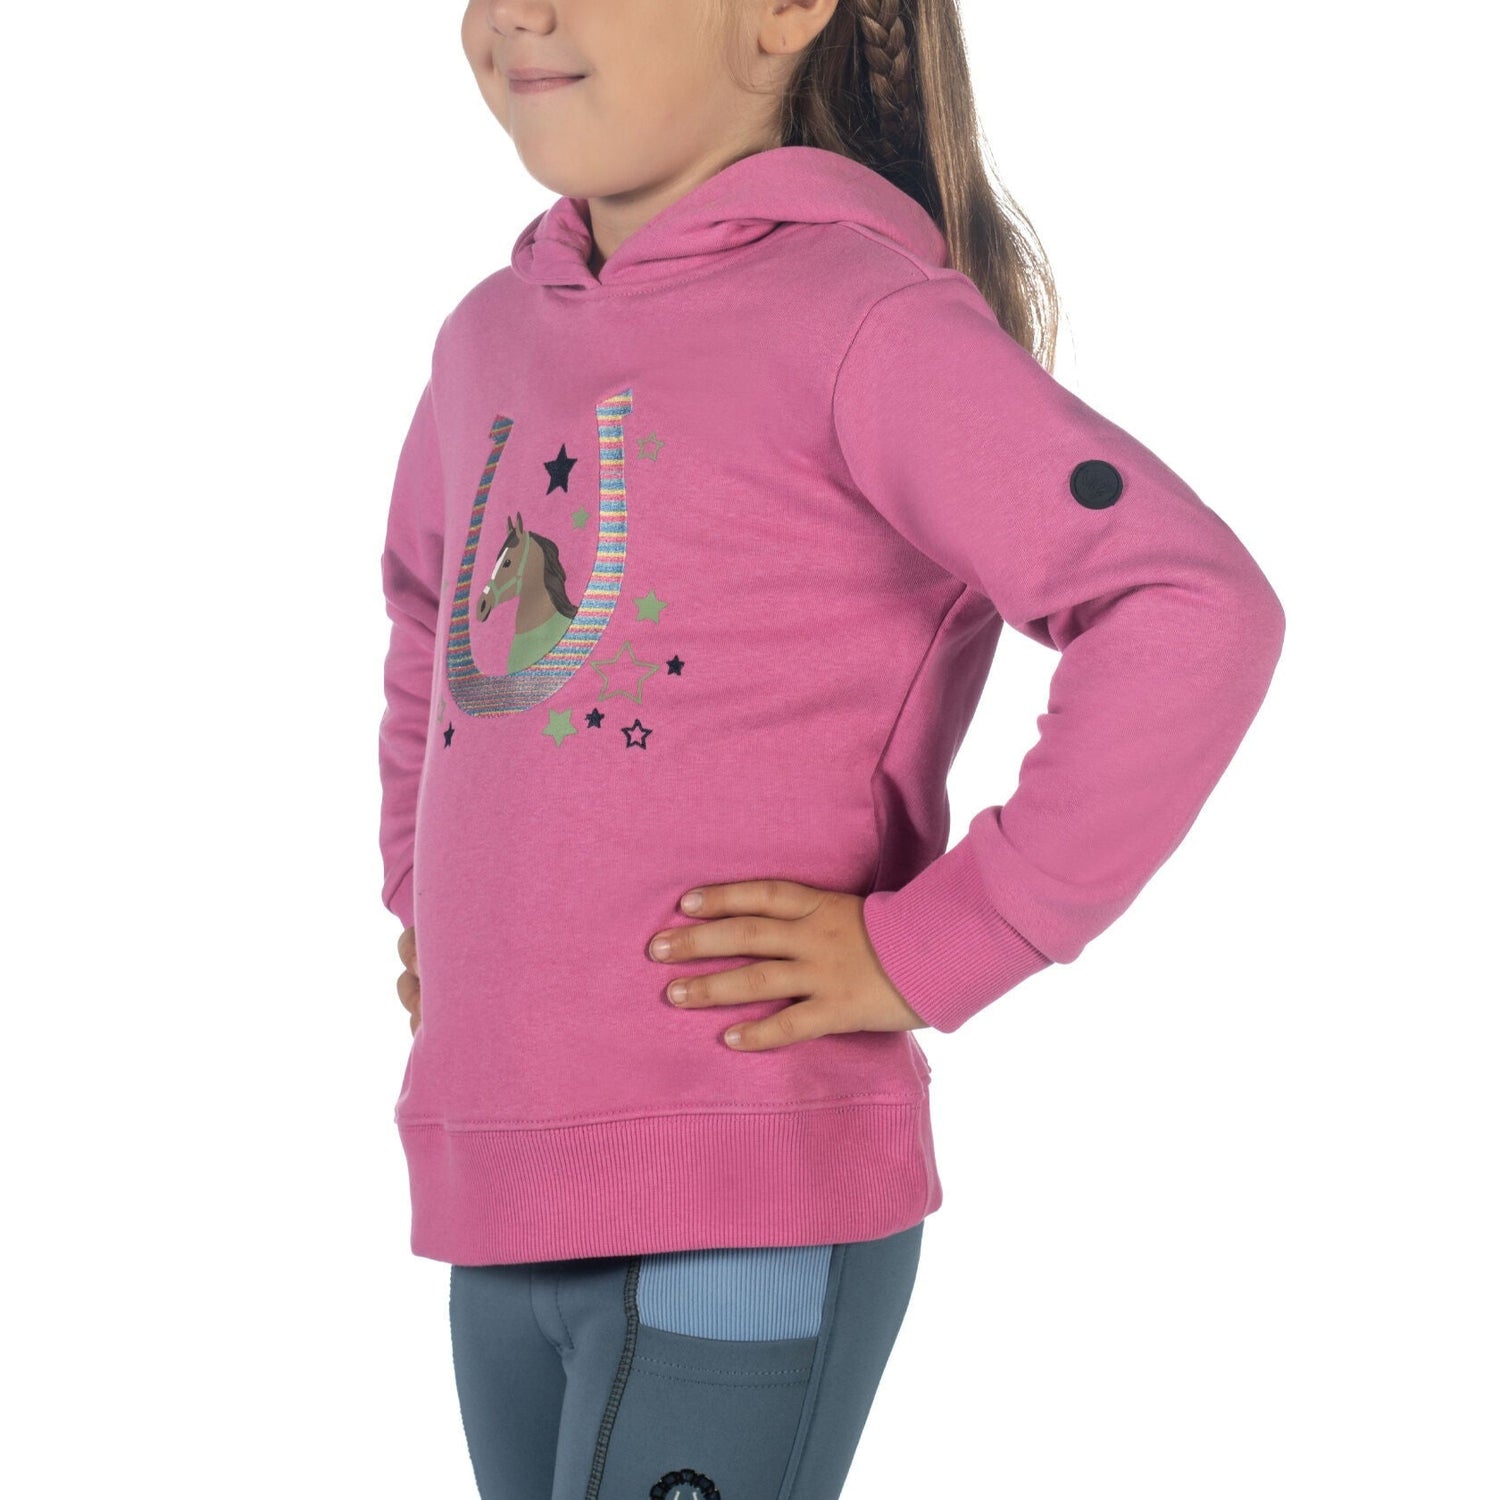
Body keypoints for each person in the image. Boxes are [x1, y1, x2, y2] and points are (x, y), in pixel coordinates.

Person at [376, 2, 1287, 1496]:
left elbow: (1189, 606)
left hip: (747, 1189)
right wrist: (430, 900)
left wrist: (952, 937)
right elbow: (435, 614)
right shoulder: (490, 334)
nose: (519, 12)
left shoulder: (865, 322)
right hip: (498, 1184)